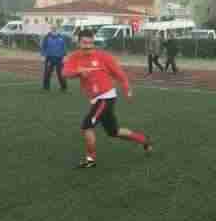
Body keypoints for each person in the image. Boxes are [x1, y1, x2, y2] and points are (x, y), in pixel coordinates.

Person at [63, 31, 152, 169]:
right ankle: (144, 140)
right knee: (113, 132)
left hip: (106, 97)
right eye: (84, 43)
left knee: (87, 126)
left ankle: (90, 159)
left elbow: (120, 75)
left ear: (94, 42)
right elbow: (65, 73)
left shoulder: (103, 57)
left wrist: (127, 90)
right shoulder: (74, 57)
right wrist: (78, 72)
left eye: (90, 43)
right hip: (95, 99)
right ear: (78, 42)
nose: (88, 46)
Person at [40, 25, 68, 91]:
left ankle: (63, 87)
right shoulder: (47, 37)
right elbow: (43, 47)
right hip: (49, 58)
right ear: (51, 29)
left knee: (61, 73)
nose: (54, 29)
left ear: (57, 29)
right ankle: (46, 87)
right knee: (47, 73)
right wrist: (43, 56)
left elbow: (64, 47)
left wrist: (65, 56)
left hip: (59, 58)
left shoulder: (61, 37)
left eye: (55, 28)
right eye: (53, 28)